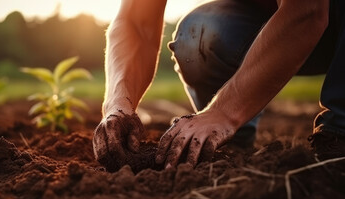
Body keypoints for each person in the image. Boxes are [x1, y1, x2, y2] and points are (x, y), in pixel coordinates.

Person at [93, 0, 345, 170]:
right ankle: (231, 140)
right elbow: (136, 22)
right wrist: (118, 104)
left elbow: (307, 11)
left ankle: (339, 134)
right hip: (275, 19)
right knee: (199, 33)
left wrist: (223, 112)